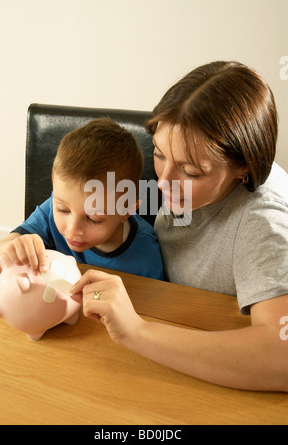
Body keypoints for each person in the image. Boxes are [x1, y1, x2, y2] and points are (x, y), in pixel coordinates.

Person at [71, 61, 288, 392]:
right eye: (159, 154)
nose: (163, 181)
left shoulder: (263, 223)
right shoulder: (190, 183)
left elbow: (282, 357)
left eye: (190, 171)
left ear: (243, 166)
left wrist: (136, 331)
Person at [0, 118, 164, 280]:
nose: (72, 230)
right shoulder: (50, 210)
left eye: (93, 219)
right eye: (63, 210)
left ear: (126, 212)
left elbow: (156, 310)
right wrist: (9, 249)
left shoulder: (146, 258)